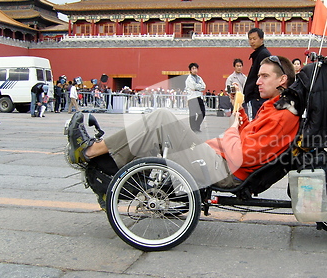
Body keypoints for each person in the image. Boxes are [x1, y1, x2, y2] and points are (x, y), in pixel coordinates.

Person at [66, 55, 299, 193]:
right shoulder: (275, 107)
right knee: (158, 130)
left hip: (226, 169)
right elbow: (251, 135)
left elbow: (245, 156)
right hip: (219, 159)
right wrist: (239, 115)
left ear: (282, 80)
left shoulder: (283, 116)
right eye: (258, 76)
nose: (257, 81)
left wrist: (230, 129)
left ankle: (91, 151)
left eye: (264, 76)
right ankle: (111, 170)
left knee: (161, 118)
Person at [243, 28, 271, 119]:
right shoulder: (259, 54)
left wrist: (256, 93)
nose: (252, 41)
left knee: (256, 121)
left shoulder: (263, 54)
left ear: (262, 39)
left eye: (254, 39)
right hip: (257, 97)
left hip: (258, 97)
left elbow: (263, 76)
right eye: (250, 39)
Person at [185, 62, 206, 132]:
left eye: (196, 68)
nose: (194, 70)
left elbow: (204, 86)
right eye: (193, 68)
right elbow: (193, 87)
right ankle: (193, 129)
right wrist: (199, 87)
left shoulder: (199, 78)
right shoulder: (189, 79)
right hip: (192, 98)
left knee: (202, 113)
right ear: (190, 70)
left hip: (199, 97)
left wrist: (197, 88)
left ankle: (197, 126)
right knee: (193, 114)